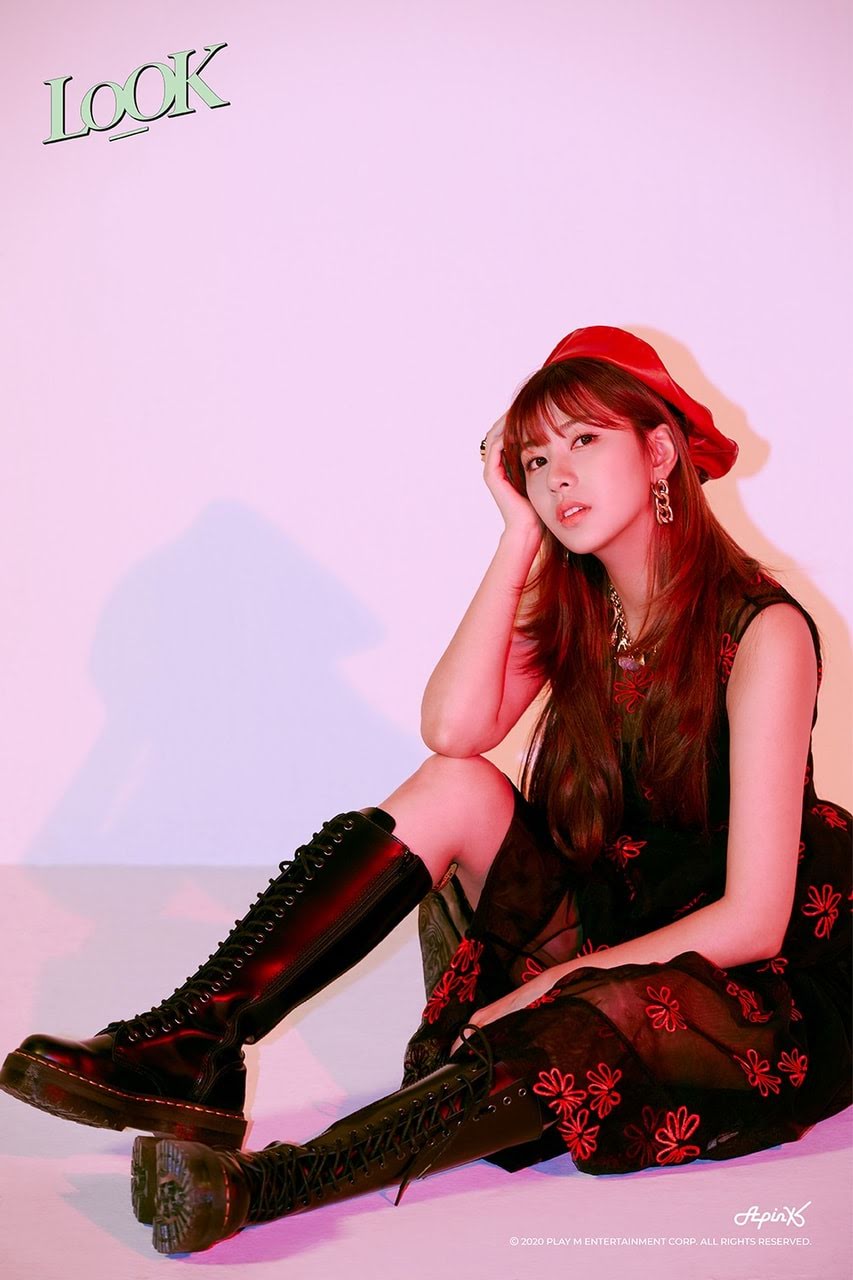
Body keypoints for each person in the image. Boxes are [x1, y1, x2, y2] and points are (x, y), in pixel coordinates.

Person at [2, 326, 850, 1256]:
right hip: (607, 923)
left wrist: (557, 981)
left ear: (657, 453)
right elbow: (451, 732)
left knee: (584, 1022)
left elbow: (753, 920)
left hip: (735, 980)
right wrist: (517, 535)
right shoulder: (582, 609)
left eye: (583, 440)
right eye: (534, 459)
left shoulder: (762, 631)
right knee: (458, 785)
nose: (556, 475)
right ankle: (197, 1044)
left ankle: (263, 1184)